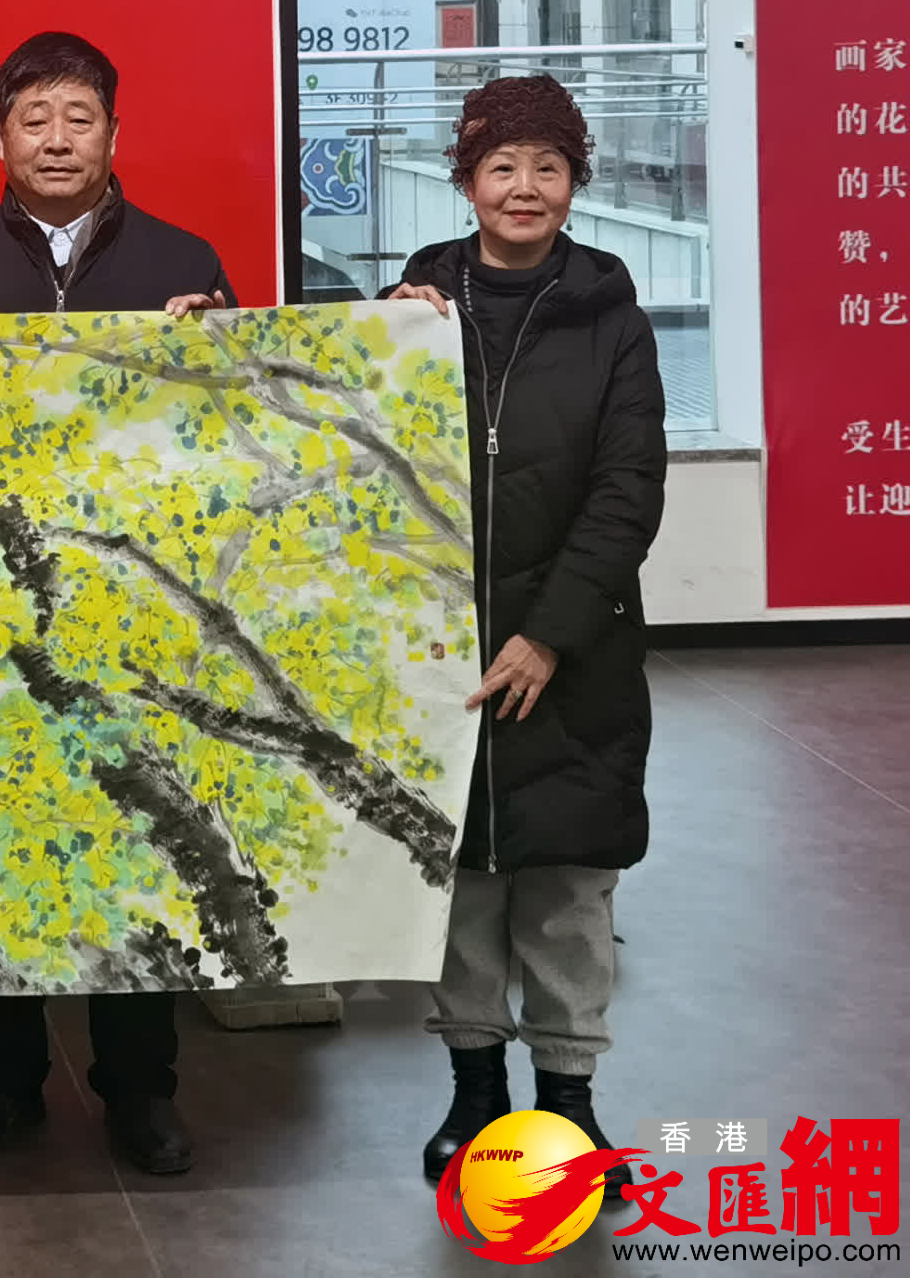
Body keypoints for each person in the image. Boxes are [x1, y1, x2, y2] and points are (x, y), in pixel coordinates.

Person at [0, 31, 233, 1175]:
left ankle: (139, 1085)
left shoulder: (184, 263)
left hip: (130, 614)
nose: (55, 138)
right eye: (33, 116)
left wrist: (211, 353)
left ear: (112, 133)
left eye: (77, 117)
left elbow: (229, 437)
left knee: (137, 840)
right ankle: (0, 1076)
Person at [385, 75, 666, 1202]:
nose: (524, 186)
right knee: (460, 883)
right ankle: (473, 1093)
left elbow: (627, 491)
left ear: (574, 181)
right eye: (501, 165)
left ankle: (568, 1099)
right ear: (467, 180)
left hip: (575, 656)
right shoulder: (413, 310)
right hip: (442, 653)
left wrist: (547, 636)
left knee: (567, 885)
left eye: (548, 166)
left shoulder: (613, 320)